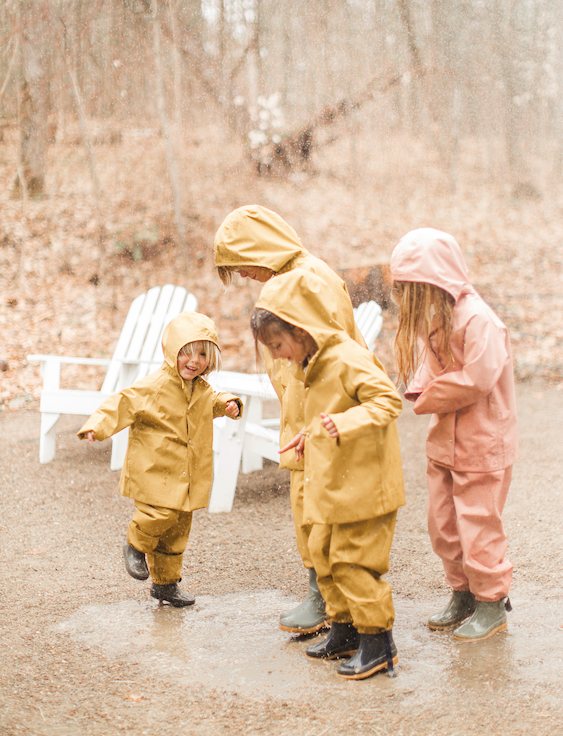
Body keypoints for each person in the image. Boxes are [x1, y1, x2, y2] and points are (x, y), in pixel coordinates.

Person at [215, 204, 371, 635]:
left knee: (323, 511)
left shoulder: (307, 280)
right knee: (307, 508)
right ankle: (325, 597)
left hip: (321, 415)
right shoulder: (294, 278)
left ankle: (333, 604)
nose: (243, 275)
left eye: (241, 264)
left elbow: (326, 355)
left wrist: (321, 419)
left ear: (259, 248)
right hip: (302, 414)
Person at [251, 269, 405, 680]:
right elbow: (327, 413)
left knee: (353, 562)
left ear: (302, 330)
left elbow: (387, 401)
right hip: (337, 482)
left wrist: (345, 425)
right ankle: (345, 629)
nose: (279, 355)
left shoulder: (346, 356)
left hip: (365, 486)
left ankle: (379, 643)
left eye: (279, 344)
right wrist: (309, 434)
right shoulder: (313, 361)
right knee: (323, 552)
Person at [391, 228, 518, 642]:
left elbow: (476, 379)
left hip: (482, 444)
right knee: (443, 524)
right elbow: (433, 363)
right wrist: (419, 384)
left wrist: (429, 395)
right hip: (444, 441)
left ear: (437, 280)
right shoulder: (438, 317)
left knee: (478, 525)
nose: (411, 301)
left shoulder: (481, 321)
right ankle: (462, 593)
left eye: (415, 289)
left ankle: (491, 602)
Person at [78, 312, 242, 607]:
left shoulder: (201, 388)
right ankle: (134, 542)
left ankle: (165, 584)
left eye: (203, 354)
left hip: (186, 474)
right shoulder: (154, 386)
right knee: (160, 514)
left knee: (177, 530)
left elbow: (212, 400)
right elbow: (122, 403)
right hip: (156, 469)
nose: (194, 361)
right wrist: (96, 426)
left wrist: (228, 403)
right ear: (172, 352)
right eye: (186, 353)